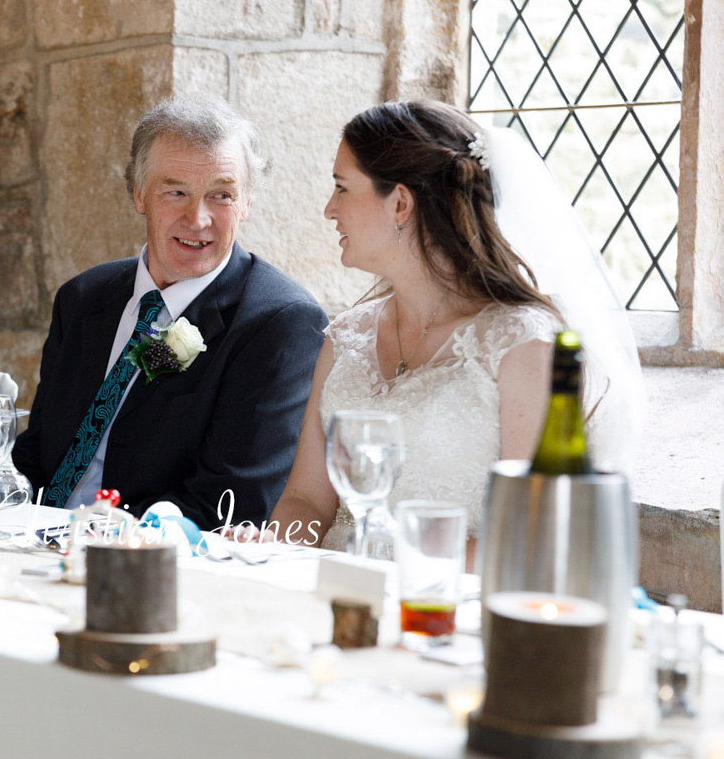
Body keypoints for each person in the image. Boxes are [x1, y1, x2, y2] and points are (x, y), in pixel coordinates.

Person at [263, 100, 643, 549]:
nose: (330, 209)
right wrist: (274, 552)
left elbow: (528, 542)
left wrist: (388, 570)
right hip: (336, 596)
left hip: (444, 603)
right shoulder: (347, 338)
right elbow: (306, 502)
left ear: (400, 202)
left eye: (342, 188)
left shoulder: (522, 345)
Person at [11, 96, 329, 530]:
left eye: (221, 195)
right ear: (139, 193)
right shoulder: (83, 297)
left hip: (150, 564)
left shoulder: (279, 323)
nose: (198, 219)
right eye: (176, 191)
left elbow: (231, 501)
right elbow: (37, 452)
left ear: (247, 203)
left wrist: (87, 543)